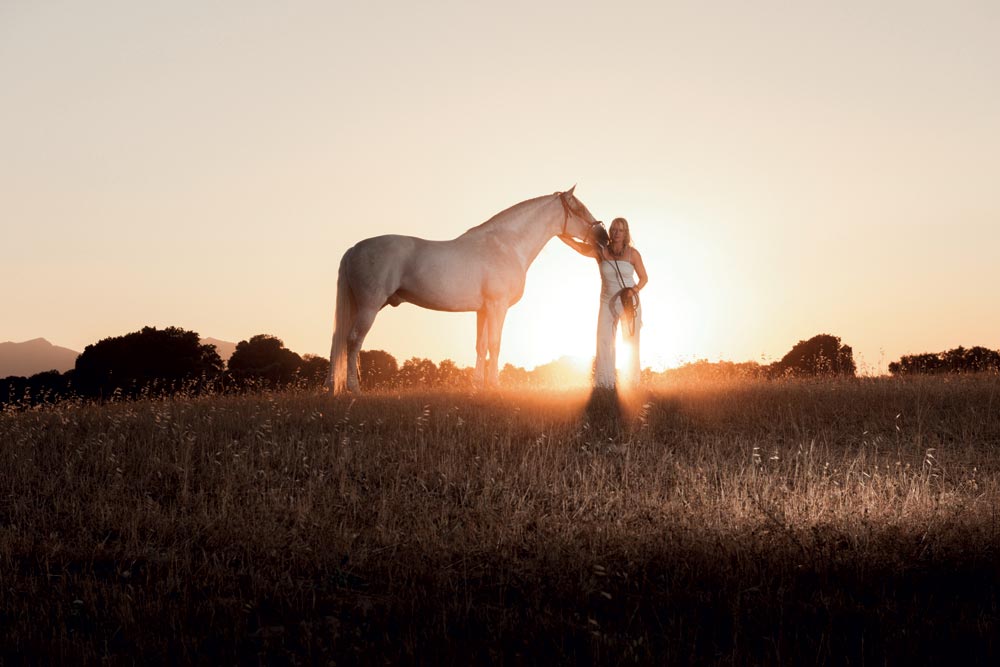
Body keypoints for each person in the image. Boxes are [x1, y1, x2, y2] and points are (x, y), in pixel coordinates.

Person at [560, 217, 648, 389]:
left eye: (620, 230)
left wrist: (633, 290)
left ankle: (631, 384)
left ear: (625, 233)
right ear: (610, 231)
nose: (616, 233)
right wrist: (561, 234)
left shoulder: (633, 254)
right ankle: (604, 384)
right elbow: (579, 248)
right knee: (603, 341)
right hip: (606, 302)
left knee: (631, 341)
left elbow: (644, 278)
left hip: (628, 301)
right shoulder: (601, 252)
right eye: (613, 229)